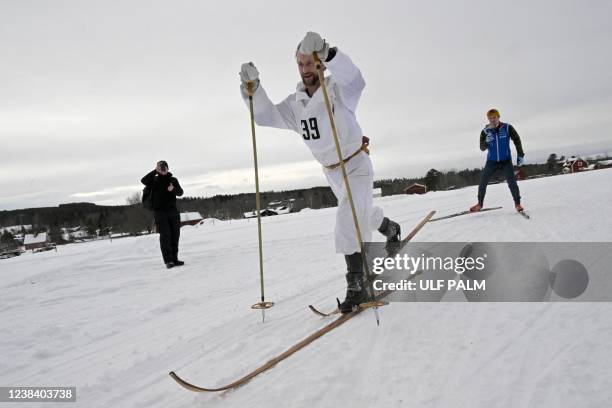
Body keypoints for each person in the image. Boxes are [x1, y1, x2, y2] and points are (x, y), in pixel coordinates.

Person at [239, 31, 401, 313]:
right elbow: (265, 116)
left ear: (320, 64)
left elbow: (356, 79)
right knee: (362, 213)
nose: (306, 70)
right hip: (332, 172)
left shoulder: (339, 91)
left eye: (310, 63)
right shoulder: (295, 104)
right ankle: (391, 228)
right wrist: (253, 89)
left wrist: (329, 52)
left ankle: (356, 285)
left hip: (356, 164)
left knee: (347, 221)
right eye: (301, 65)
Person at [470, 109, 525, 213]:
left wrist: (520, 154)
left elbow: (517, 140)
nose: (492, 120)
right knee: (483, 182)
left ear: (498, 117)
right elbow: (482, 148)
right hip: (491, 162)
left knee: (512, 182)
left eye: (494, 117)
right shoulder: (485, 131)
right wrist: (486, 142)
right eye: (490, 118)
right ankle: (479, 204)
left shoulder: (507, 128)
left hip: (506, 161)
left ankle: (517, 204)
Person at [141, 160, 185, 269]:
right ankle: (168, 261)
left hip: (173, 211)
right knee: (165, 236)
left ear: (168, 168)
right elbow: (143, 180)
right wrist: (155, 171)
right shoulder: (153, 180)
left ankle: (175, 259)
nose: (163, 169)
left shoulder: (173, 180)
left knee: (175, 236)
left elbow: (180, 192)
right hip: (159, 212)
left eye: (165, 167)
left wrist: (173, 189)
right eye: (161, 167)